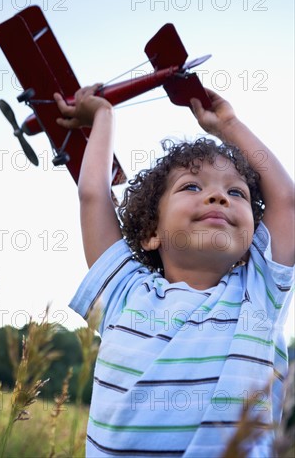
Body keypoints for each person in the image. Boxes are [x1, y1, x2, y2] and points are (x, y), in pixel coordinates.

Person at [54, 85, 294, 457]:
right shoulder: (124, 292)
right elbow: (93, 195)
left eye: (237, 193)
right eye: (192, 186)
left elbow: (287, 201)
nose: (218, 197)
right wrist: (103, 116)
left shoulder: (259, 291)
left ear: (252, 236)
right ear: (152, 233)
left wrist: (228, 124)